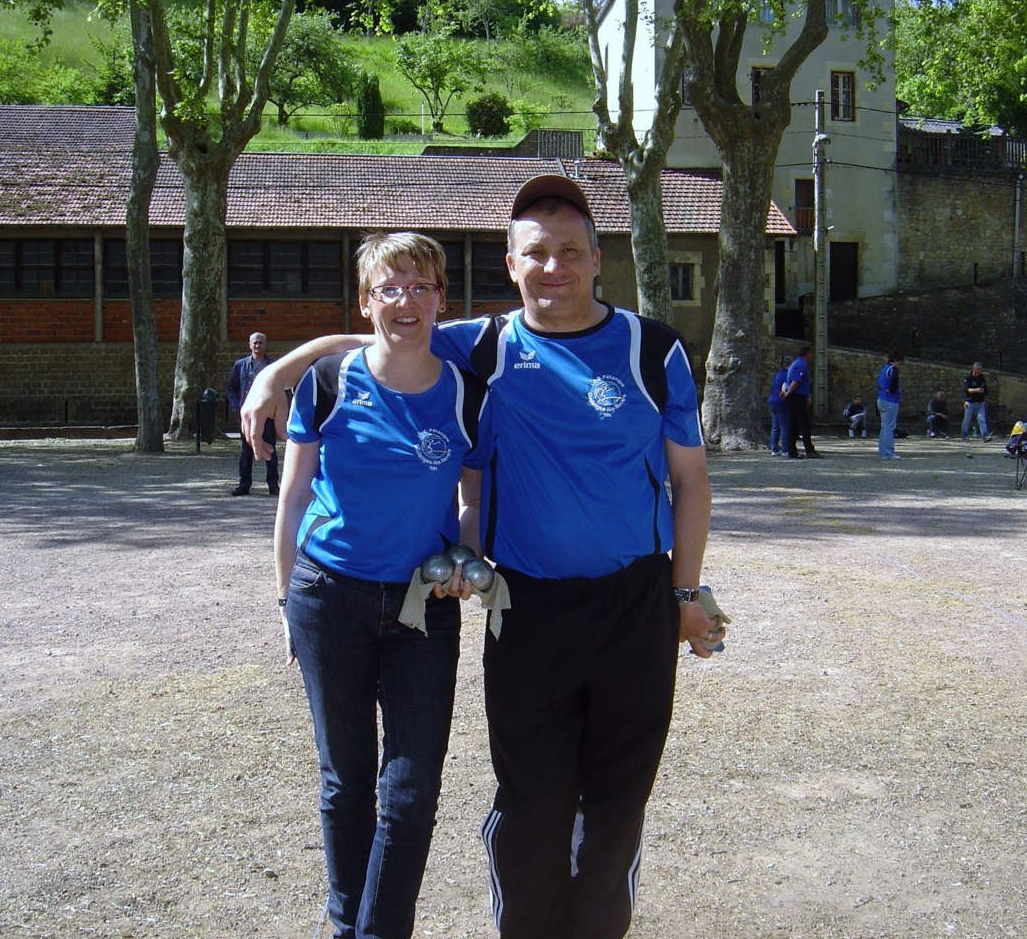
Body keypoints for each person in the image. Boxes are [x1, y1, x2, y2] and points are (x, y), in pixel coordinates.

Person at [244, 175, 721, 939]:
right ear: (511, 264)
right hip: (525, 604)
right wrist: (278, 368)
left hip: (634, 600)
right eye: (537, 253)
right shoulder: (490, 345)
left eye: (571, 251)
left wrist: (685, 591)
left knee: (619, 797)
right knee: (533, 803)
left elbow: (691, 482)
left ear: (599, 258)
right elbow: (388, 334)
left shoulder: (652, 347)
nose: (554, 267)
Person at [275, 233, 486, 939]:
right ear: (366, 302)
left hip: (420, 609)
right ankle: (347, 926)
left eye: (420, 287)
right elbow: (294, 496)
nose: (406, 300)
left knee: (412, 789)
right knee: (347, 781)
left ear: (440, 300)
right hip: (327, 596)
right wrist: (285, 603)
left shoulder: (464, 392)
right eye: (389, 288)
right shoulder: (329, 382)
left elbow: (474, 500)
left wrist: (466, 552)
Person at [226, 332, 280, 496]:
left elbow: (279, 388)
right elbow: (231, 387)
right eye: (255, 343)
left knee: (270, 449)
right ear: (250, 345)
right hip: (247, 416)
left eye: (261, 343)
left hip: (267, 414)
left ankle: (273, 485)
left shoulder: (272, 366)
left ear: (265, 345)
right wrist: (237, 407)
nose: (258, 346)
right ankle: (244, 485)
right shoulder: (240, 365)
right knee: (246, 451)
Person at [782, 345, 822, 458]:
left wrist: (785, 392)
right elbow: (797, 381)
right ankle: (809, 451)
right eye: (811, 354)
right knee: (805, 424)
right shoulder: (802, 365)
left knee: (793, 425)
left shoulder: (793, 364)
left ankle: (792, 451)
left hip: (792, 398)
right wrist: (789, 392)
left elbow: (786, 382)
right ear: (807, 354)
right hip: (797, 397)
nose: (812, 356)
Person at [876, 350, 905, 460]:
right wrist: (892, 390)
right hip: (890, 401)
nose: (900, 366)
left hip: (881, 399)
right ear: (896, 360)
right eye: (900, 363)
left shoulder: (884, 369)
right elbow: (894, 382)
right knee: (889, 427)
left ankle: (883, 451)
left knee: (884, 427)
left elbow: (878, 382)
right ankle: (888, 452)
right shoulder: (893, 370)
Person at [960, 362, 993, 442]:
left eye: (980, 370)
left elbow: (985, 390)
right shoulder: (968, 379)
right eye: (978, 369)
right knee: (967, 420)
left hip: (980, 403)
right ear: (973, 369)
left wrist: (985, 398)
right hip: (970, 403)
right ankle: (964, 436)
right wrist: (976, 390)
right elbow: (966, 390)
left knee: (982, 419)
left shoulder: (982, 378)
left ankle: (985, 436)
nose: (979, 371)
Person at [767, 355, 790, 456]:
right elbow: (784, 386)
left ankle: (774, 449)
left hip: (772, 400)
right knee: (784, 426)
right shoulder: (787, 375)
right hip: (781, 401)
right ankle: (785, 450)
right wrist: (785, 393)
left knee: (775, 426)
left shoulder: (777, 375)